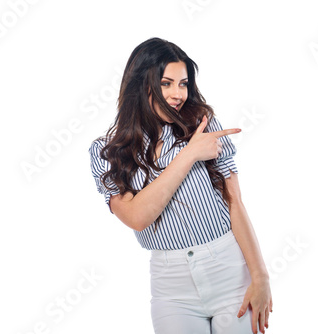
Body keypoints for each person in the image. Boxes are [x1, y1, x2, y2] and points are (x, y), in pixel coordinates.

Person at [88, 37, 272, 333]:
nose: (178, 94)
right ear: (140, 84)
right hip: (172, 287)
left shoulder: (202, 125)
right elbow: (137, 218)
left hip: (229, 270)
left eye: (184, 84)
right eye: (166, 83)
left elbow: (235, 203)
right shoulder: (106, 151)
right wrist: (189, 155)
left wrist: (261, 277)